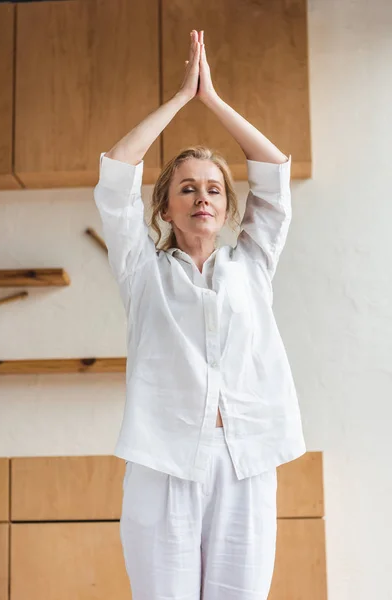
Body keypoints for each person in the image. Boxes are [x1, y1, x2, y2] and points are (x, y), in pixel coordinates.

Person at [94, 29, 306, 600]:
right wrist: (179, 99)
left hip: (247, 461)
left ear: (227, 206)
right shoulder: (144, 273)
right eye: (187, 188)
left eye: (213, 188)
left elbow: (271, 170)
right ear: (165, 205)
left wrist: (211, 99)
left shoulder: (253, 264)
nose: (202, 197)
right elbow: (116, 174)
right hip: (163, 462)